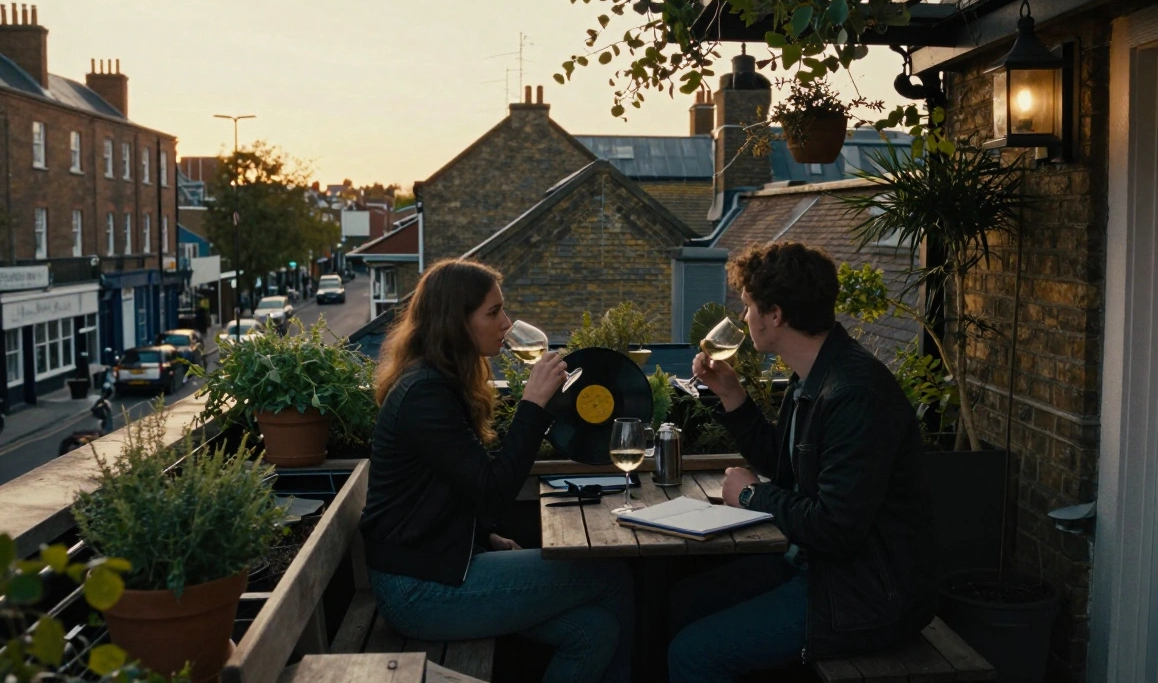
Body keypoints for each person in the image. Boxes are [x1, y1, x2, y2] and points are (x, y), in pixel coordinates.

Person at [667, 241, 935, 683]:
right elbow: (784, 461)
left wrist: (752, 494)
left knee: (693, 656)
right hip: (818, 568)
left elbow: (836, 527)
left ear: (775, 315)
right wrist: (733, 398)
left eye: (750, 307)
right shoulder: (814, 375)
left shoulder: (854, 395)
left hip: (864, 594)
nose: (744, 318)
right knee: (681, 601)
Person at [359, 259, 633, 683]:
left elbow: (447, 487)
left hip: (443, 566)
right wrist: (533, 405)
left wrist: (480, 535)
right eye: (493, 312)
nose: (506, 323)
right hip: (418, 590)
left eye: (503, 311)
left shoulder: (438, 383)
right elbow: (493, 490)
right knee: (611, 574)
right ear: (456, 322)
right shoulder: (425, 395)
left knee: (593, 631)